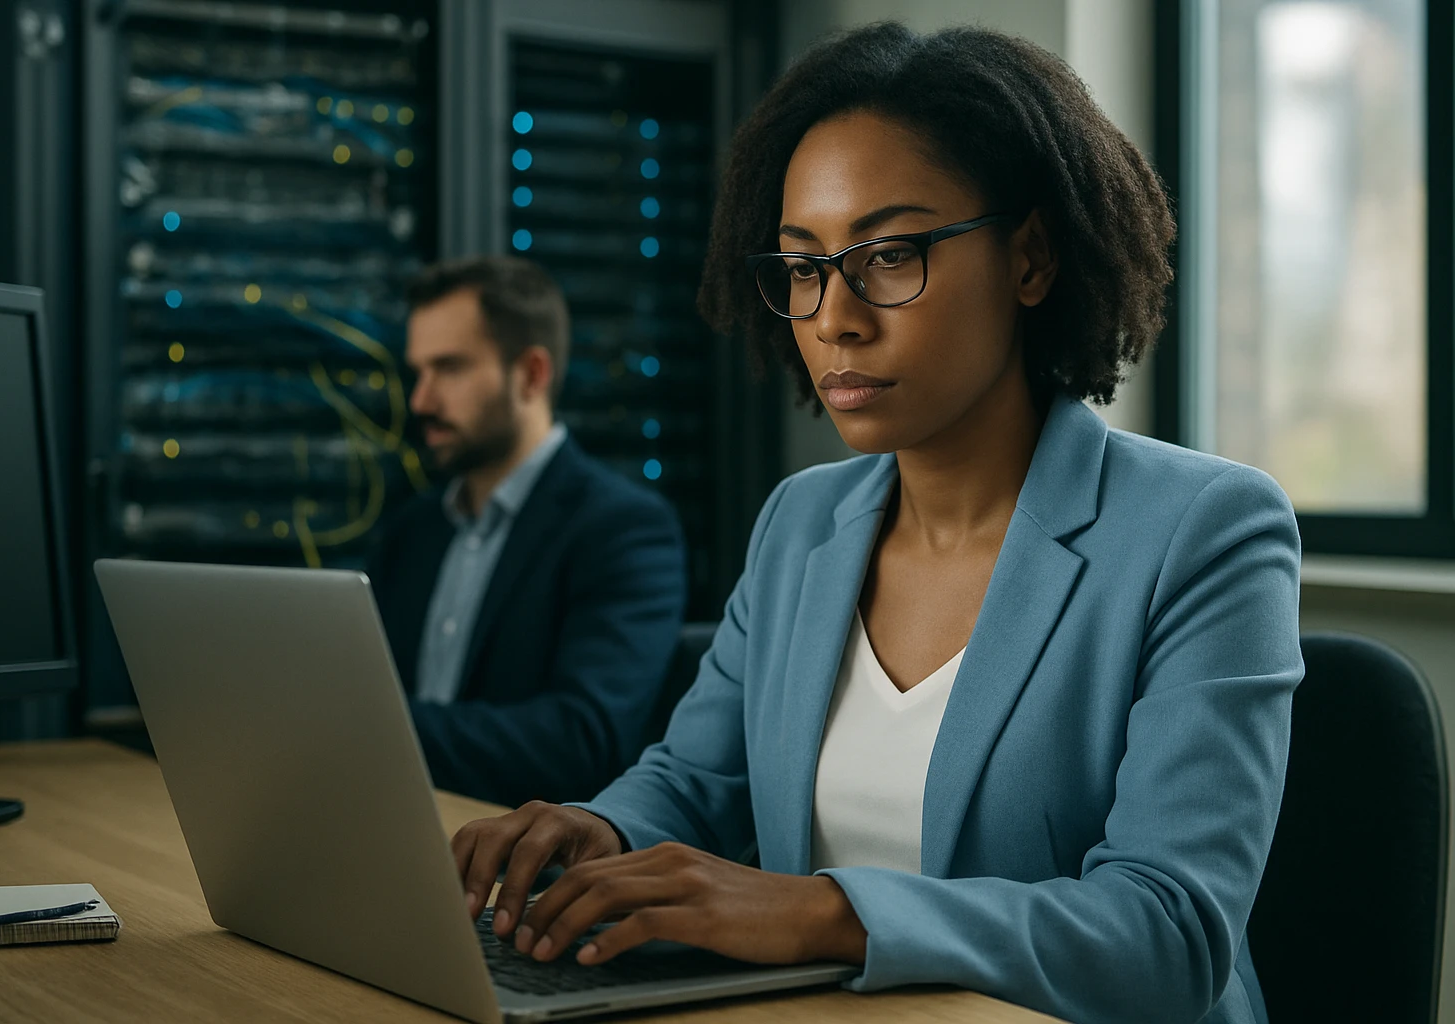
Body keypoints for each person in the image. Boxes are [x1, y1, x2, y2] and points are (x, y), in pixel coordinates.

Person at [449, 24, 1303, 1024]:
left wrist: (826, 915)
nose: (835, 318)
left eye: (889, 255)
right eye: (805, 268)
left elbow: (1167, 937)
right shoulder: (803, 520)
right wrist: (601, 832)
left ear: (1031, 257)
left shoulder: (1206, 530)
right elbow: (694, 781)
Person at [366, 256, 688, 808]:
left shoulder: (624, 530)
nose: (422, 400)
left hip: (522, 863)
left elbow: (582, 742)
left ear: (532, 374)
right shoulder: (414, 530)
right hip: (390, 824)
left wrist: (371, 729)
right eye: (419, 372)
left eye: (449, 368)